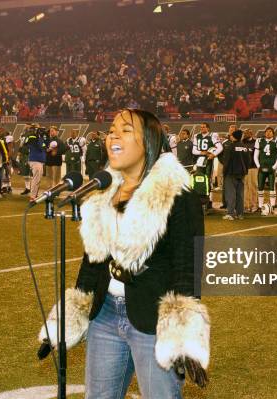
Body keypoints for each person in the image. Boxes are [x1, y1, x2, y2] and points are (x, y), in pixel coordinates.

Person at [38, 109, 209, 398]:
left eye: (126, 129)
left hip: (153, 319)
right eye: (112, 129)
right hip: (104, 315)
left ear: (149, 142)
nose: (113, 134)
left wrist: (182, 336)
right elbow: (94, 259)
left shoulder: (177, 194)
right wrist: (67, 321)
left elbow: (187, 266)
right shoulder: (106, 190)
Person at [192, 122, 222, 210]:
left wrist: (213, 154)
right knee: (199, 180)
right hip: (200, 160)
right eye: (201, 127)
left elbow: (220, 147)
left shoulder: (213, 135)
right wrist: (202, 152)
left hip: (209, 161)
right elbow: (194, 151)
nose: (202, 128)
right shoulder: (197, 136)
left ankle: (209, 201)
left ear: (208, 128)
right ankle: (200, 200)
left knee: (209, 180)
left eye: (204, 127)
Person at [254, 127, 277, 213]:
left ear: (273, 133)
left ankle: (272, 206)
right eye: (266, 131)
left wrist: (274, 167)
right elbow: (255, 155)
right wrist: (258, 165)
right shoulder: (259, 141)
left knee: (272, 187)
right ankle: (260, 206)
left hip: (271, 167)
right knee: (260, 188)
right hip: (262, 167)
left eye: (270, 131)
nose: (268, 133)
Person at [222, 129, 248, 220]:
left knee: (231, 194)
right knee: (240, 194)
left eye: (232, 136)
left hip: (231, 173)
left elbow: (227, 161)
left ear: (234, 137)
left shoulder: (230, 146)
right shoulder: (245, 147)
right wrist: (245, 171)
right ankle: (240, 214)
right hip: (242, 174)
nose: (230, 137)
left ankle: (230, 213)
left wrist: (224, 172)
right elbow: (248, 161)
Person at [25, 125, 49, 201]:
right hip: (36, 160)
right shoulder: (33, 137)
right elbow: (40, 147)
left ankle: (34, 194)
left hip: (38, 160)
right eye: (42, 131)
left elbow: (44, 146)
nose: (44, 132)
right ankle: (32, 196)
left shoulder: (38, 138)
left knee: (37, 178)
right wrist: (40, 137)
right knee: (36, 179)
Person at [241, 129, 258, 213]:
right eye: (244, 133)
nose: (245, 134)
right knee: (245, 187)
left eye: (247, 133)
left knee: (254, 186)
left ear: (251, 134)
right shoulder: (241, 143)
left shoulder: (256, 142)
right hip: (244, 168)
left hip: (253, 167)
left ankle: (254, 205)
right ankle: (245, 205)